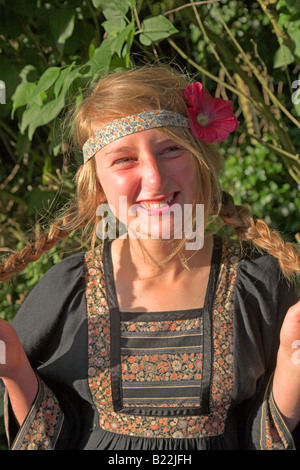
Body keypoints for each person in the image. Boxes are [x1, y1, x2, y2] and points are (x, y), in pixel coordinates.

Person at [0, 64, 299, 451]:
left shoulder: (260, 286)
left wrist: (293, 370)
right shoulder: (67, 290)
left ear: (200, 159)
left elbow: (258, 433)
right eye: (124, 159)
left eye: (171, 149)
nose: (155, 179)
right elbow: (56, 434)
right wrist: (14, 369)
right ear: (98, 187)